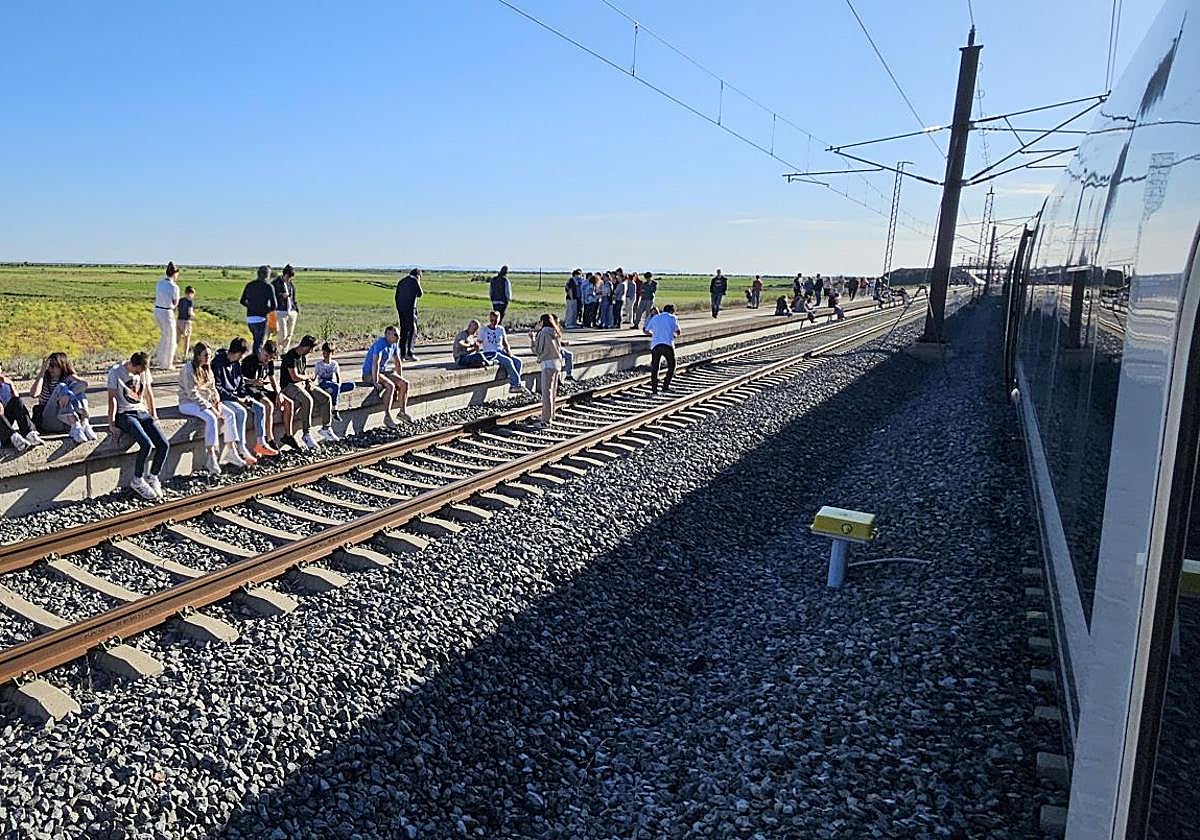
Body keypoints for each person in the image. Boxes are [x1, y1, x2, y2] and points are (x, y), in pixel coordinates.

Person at [178, 342, 255, 476]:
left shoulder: (207, 368)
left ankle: (232, 451)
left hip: (207, 402)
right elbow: (192, 393)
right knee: (211, 418)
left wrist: (218, 402)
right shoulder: (188, 369)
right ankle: (211, 456)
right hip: (188, 403)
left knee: (229, 414)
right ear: (197, 355)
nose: (208, 357)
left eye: (210, 354)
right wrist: (211, 408)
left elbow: (213, 388)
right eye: (205, 355)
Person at [106, 351, 169, 500]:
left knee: (164, 444)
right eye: (137, 371)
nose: (139, 374)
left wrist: (154, 415)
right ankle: (137, 479)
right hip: (125, 414)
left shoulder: (144, 371)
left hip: (142, 412)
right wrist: (111, 424)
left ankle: (152, 476)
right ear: (132, 364)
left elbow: (148, 393)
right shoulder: (116, 372)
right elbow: (112, 399)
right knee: (146, 444)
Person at [213, 338, 279, 458]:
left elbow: (240, 384)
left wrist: (244, 396)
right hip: (225, 398)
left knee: (260, 408)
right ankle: (241, 447)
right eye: (241, 354)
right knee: (241, 412)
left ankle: (261, 443)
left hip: (237, 397)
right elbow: (218, 388)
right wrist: (238, 399)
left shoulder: (236, 364)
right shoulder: (218, 363)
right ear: (237, 353)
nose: (242, 357)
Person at [281, 335, 337, 449]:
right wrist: (307, 377)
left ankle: (326, 428)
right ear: (306, 347)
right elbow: (294, 376)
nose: (311, 351)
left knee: (326, 398)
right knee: (307, 400)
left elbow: (302, 373)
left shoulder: (303, 357)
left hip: (301, 384)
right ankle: (306, 434)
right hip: (289, 386)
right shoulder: (290, 356)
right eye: (311, 349)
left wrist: (308, 382)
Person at [241, 340, 297, 451]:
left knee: (289, 402)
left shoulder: (269, 362)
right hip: (250, 389)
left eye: (270, 358)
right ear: (262, 350)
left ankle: (288, 435)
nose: (267, 360)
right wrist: (253, 382)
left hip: (261, 389)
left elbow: (272, 379)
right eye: (266, 356)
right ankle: (270, 439)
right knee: (269, 405)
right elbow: (239, 380)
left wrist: (278, 393)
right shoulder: (249, 360)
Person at [29, 352, 94, 442]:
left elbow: (84, 384)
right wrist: (42, 372)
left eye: (54, 366)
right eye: (49, 366)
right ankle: (75, 425)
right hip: (49, 421)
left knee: (80, 394)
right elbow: (34, 394)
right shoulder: (45, 379)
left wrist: (69, 393)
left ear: (62, 366)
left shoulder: (68, 378)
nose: (50, 369)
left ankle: (85, 423)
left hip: (65, 422)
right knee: (61, 387)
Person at [361, 326, 410, 427]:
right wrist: (375, 381)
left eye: (399, 335)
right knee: (390, 386)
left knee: (405, 383)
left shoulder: (394, 344)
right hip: (370, 373)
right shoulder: (380, 344)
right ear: (387, 334)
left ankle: (402, 412)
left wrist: (399, 381)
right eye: (395, 335)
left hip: (382, 371)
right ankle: (387, 416)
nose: (398, 337)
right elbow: (376, 363)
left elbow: (398, 363)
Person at [528, 314, 564, 427]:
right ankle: (551, 414)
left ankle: (546, 420)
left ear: (543, 322)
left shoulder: (543, 333)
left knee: (546, 392)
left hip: (547, 364)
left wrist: (532, 339)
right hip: (557, 363)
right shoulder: (556, 331)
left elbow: (537, 350)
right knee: (553, 392)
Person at [478, 310, 526, 392]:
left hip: (501, 351)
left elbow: (505, 342)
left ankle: (513, 384)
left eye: (495, 320)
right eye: (492, 320)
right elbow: (478, 342)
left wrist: (509, 351)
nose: (493, 322)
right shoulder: (484, 330)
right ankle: (516, 384)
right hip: (491, 353)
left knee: (518, 361)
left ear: (499, 319)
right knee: (508, 361)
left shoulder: (501, 329)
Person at [0, 362, 42, 452]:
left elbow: (16, 399)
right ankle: (14, 437)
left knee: (17, 401)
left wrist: (11, 384)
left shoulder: (4, 384)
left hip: (4, 422)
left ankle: (29, 433)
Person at [240, 265, 278, 356]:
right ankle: (256, 362)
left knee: (256, 341)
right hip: (261, 318)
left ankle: (254, 360)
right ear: (267, 275)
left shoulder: (250, 285)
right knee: (259, 343)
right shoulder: (268, 286)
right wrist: (264, 311)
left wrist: (251, 307)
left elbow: (242, 301)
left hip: (250, 318)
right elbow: (274, 305)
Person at [643, 304, 680, 395]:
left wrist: (654, 334)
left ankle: (654, 389)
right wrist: (673, 334)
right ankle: (665, 387)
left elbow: (646, 331)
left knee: (655, 367)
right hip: (668, 344)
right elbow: (678, 331)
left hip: (655, 345)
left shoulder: (655, 318)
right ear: (672, 311)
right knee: (672, 366)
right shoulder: (673, 317)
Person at [315, 342, 354, 421]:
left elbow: (338, 376)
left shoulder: (334, 364)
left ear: (332, 353)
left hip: (333, 383)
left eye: (327, 353)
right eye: (324, 352)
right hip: (324, 383)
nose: (325, 355)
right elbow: (315, 377)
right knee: (335, 387)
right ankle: (335, 409)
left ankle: (332, 390)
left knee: (351, 385)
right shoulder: (319, 364)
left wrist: (339, 384)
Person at [153, 262, 180, 371]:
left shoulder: (159, 283)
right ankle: (167, 363)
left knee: (164, 337)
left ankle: (160, 359)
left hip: (157, 310)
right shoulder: (174, 287)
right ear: (175, 273)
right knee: (171, 339)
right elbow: (175, 302)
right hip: (167, 312)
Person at [395, 268, 423, 361]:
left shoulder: (401, 281)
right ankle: (410, 353)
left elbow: (396, 296)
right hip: (411, 309)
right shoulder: (414, 281)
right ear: (418, 275)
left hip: (401, 309)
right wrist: (418, 282)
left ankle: (402, 354)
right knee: (412, 330)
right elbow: (420, 294)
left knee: (403, 331)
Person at [272, 264, 300, 353]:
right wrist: (281, 296)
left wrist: (296, 309)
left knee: (289, 334)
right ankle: (278, 350)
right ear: (285, 274)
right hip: (280, 311)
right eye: (289, 277)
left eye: (291, 277)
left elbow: (293, 298)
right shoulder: (275, 283)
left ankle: (284, 352)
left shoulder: (291, 284)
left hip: (291, 311)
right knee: (282, 333)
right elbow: (271, 296)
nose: (290, 279)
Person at [176, 285, 197, 365]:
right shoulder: (190, 302)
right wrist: (194, 315)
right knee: (186, 340)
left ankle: (173, 355)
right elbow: (190, 312)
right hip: (186, 322)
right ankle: (185, 356)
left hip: (179, 320)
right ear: (191, 293)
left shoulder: (180, 300)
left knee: (177, 340)